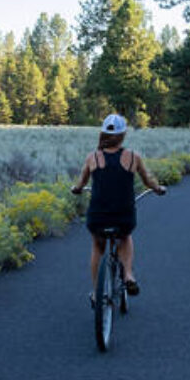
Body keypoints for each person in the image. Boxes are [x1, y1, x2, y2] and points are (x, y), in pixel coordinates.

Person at [70, 113, 166, 297]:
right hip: (123, 215)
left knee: (98, 246)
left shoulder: (93, 158)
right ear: (123, 135)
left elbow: (81, 184)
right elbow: (148, 181)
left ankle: (97, 290)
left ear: (103, 134)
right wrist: (158, 189)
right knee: (125, 237)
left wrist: (76, 189)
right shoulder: (133, 157)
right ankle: (129, 275)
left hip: (98, 216)